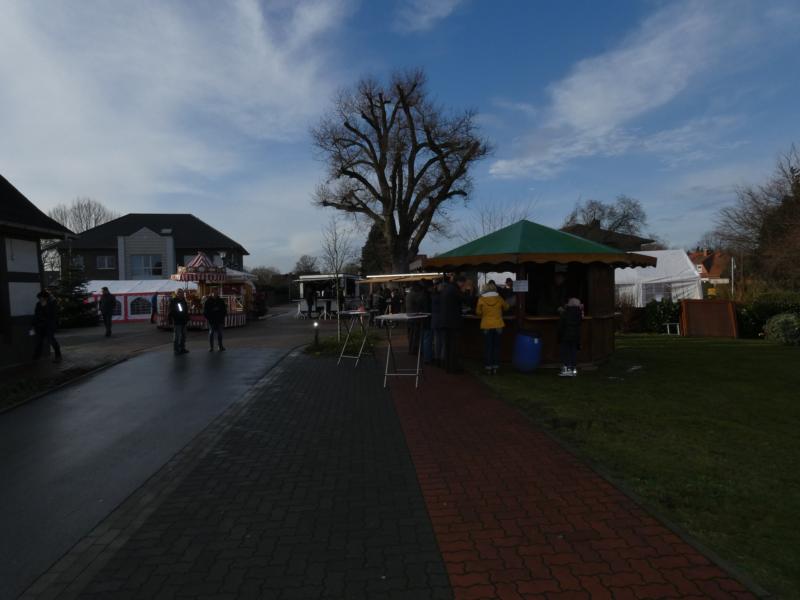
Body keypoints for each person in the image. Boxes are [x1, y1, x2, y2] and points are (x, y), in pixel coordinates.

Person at [475, 281, 509, 375]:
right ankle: (495, 367)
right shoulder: (499, 298)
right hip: (498, 325)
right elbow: (506, 307)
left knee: (488, 347)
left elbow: (478, 312)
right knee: (496, 347)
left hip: (486, 325)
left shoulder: (481, 299)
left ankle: (488, 367)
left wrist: (484, 313)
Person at [439, 275, 467, 373]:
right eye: (464, 283)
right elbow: (465, 299)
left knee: (448, 345)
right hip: (453, 322)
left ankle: (448, 366)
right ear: (460, 282)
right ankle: (453, 367)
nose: (464, 285)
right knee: (454, 346)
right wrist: (466, 291)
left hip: (445, 321)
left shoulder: (447, 289)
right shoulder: (455, 290)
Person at [31, 290, 61, 363]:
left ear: (45, 297)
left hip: (49, 325)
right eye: (39, 298)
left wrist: (52, 324)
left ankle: (58, 356)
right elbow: (36, 315)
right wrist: (34, 324)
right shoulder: (38, 304)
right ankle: (36, 357)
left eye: (41, 297)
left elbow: (54, 315)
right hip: (40, 326)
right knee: (39, 341)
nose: (40, 299)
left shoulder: (52, 304)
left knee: (52, 340)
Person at [558, 297, 583, 377]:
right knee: (573, 353)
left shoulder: (565, 313)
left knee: (566, 353)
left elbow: (561, 326)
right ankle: (573, 370)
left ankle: (566, 371)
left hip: (566, 335)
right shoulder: (579, 313)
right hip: (575, 336)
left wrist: (559, 336)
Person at [405, 282, 426, 354]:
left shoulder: (408, 295)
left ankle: (411, 349)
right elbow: (420, 303)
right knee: (415, 335)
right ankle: (414, 349)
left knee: (411, 335)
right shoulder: (415, 295)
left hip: (409, 318)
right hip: (414, 318)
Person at [169, 288, 190, 355]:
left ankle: (182, 348)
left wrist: (187, 318)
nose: (181, 294)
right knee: (177, 336)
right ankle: (176, 349)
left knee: (183, 336)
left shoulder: (183, 300)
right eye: (179, 292)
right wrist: (175, 317)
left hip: (183, 321)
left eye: (182, 292)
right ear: (177, 294)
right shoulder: (174, 301)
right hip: (177, 321)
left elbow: (185, 310)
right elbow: (172, 311)